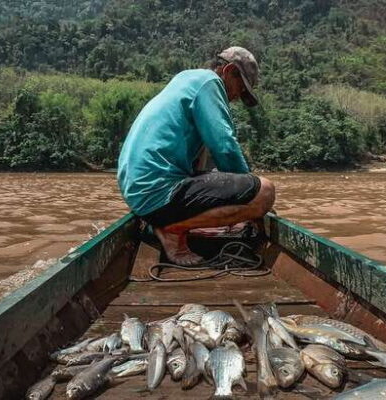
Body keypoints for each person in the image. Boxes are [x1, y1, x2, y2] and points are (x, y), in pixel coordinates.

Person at [117, 46, 276, 266]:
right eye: (241, 88)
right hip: (158, 191)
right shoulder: (210, 83)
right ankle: (173, 229)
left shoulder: (187, 79)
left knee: (211, 168)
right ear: (229, 71)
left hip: (140, 193)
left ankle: (172, 223)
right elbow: (225, 147)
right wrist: (251, 197)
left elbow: (200, 159)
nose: (238, 97)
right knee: (265, 191)